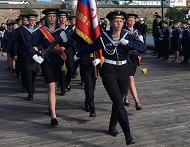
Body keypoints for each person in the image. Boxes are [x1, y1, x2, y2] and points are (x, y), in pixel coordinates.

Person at [75, 10, 146, 145]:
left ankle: (112, 126)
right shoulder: (104, 37)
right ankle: (128, 134)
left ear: (123, 22)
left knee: (117, 100)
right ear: (110, 23)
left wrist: (129, 44)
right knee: (118, 101)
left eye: (120, 21)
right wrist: (77, 54)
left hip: (124, 69)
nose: (118, 24)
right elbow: (91, 47)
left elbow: (143, 48)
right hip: (108, 70)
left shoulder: (129, 35)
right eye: (115, 21)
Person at [27, 8, 69, 126]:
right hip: (47, 61)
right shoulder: (41, 31)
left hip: (59, 61)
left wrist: (65, 44)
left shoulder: (61, 31)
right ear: (46, 18)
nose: (52, 18)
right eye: (50, 16)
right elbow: (30, 44)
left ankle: (51, 106)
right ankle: (53, 116)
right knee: (51, 86)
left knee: (54, 87)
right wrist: (35, 56)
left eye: (54, 16)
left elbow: (69, 45)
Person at [3, 14, 40, 100]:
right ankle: (30, 92)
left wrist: (39, 47)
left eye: (34, 20)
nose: (32, 22)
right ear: (27, 20)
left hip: (35, 54)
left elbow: (42, 41)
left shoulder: (39, 30)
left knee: (34, 72)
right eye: (31, 20)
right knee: (28, 72)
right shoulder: (21, 30)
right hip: (25, 54)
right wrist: (5, 50)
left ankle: (30, 84)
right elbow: (13, 40)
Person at [123, 13, 143, 111]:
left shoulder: (137, 32)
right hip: (126, 57)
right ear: (126, 21)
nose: (131, 22)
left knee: (129, 79)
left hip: (134, 57)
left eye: (133, 20)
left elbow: (141, 45)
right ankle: (137, 102)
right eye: (129, 20)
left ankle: (126, 98)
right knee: (130, 78)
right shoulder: (123, 31)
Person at [58, 11, 75, 95]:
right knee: (61, 70)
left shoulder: (69, 29)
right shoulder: (56, 29)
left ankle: (66, 82)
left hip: (68, 50)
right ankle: (62, 88)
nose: (63, 19)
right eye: (61, 17)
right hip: (59, 50)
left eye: (64, 17)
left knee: (71, 68)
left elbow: (73, 40)